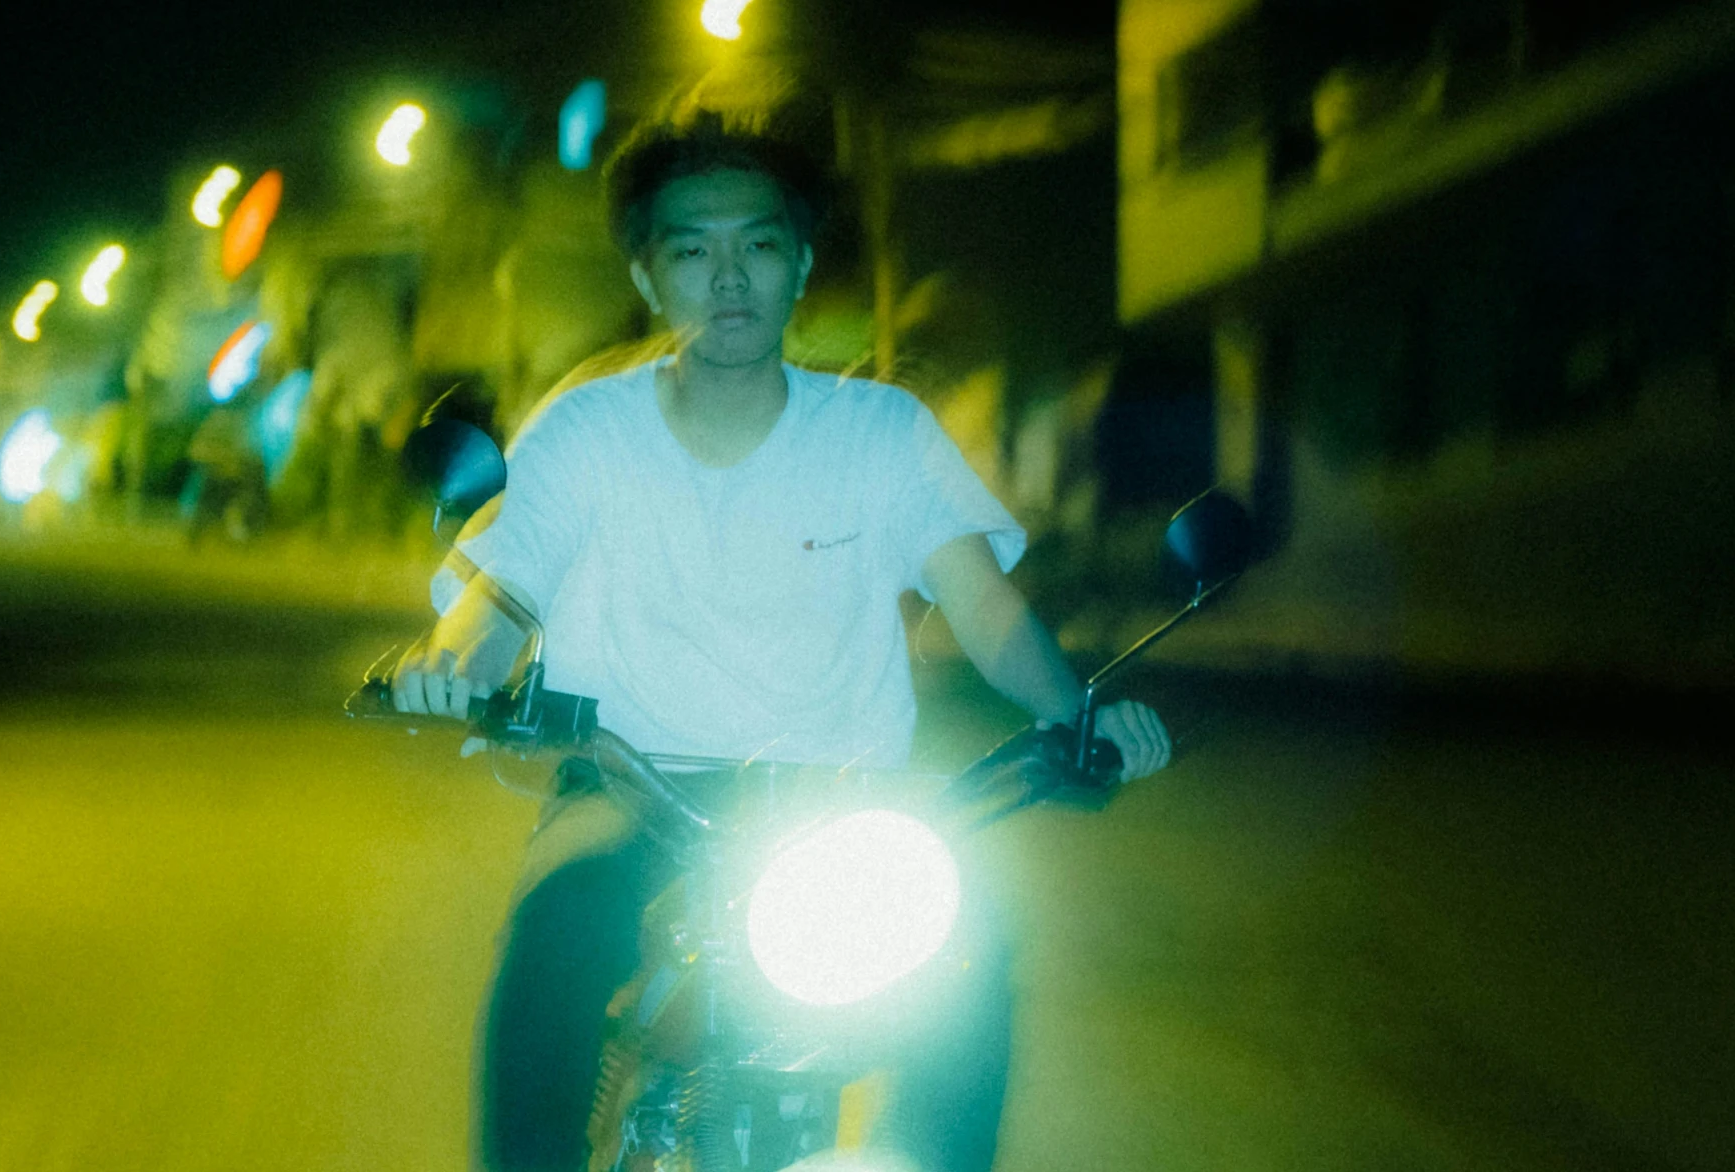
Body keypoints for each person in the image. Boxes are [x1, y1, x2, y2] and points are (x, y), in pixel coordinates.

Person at [388, 113, 1171, 1172]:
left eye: (757, 244)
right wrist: (454, 664)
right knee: (552, 945)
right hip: (630, 785)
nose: (728, 276)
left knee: (966, 958)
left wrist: (1077, 715)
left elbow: (984, 609)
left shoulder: (881, 434)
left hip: (836, 805)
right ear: (646, 272)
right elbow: (504, 591)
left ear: (800, 262)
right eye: (690, 249)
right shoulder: (586, 430)